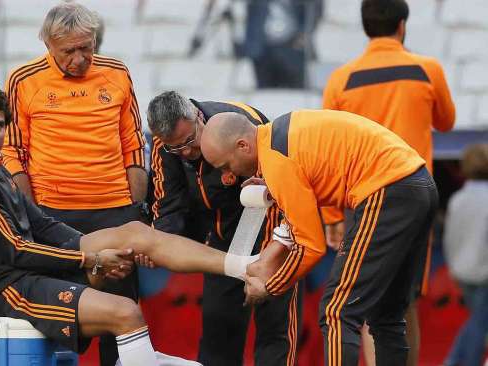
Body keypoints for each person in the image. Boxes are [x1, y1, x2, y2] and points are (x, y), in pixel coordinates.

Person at [0, 83, 263, 366]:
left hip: (27, 272)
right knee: (125, 313)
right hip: (6, 287)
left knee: (135, 235)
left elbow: (44, 225)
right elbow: (15, 249)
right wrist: (90, 259)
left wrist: (95, 246)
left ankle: (244, 265)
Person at [200, 110, 438, 366]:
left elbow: (311, 246)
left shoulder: (277, 160)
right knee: (386, 314)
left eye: (226, 165)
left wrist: (270, 286)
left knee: (337, 312)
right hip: (418, 184)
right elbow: (319, 171)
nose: (228, 176)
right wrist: (277, 189)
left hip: (387, 189)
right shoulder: (280, 135)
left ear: (243, 146)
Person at [0, 3, 147, 364]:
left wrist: (136, 213)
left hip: (113, 212)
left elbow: (133, 146)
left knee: (122, 309)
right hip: (53, 217)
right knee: (58, 311)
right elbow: (13, 152)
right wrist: (30, 217)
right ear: (49, 44)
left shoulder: (117, 72)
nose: (80, 58)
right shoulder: (23, 79)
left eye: (87, 48)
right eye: (70, 51)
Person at [321, 1, 455, 363]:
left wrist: (332, 215)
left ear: (366, 28)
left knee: (365, 301)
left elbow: (328, 148)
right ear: (402, 25)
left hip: (361, 198)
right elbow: (446, 121)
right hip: (414, 194)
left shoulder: (342, 79)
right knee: (402, 300)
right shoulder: (427, 70)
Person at [147, 91, 300, 366]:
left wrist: (272, 254)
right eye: (175, 148)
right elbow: (169, 204)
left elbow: (280, 190)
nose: (185, 152)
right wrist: (157, 244)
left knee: (274, 327)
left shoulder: (241, 124)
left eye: (189, 142)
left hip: (270, 223)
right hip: (222, 235)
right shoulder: (165, 142)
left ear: (198, 117)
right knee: (218, 329)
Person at [442, 144, 488, 366]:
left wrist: (453, 267)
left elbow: (450, 236)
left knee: (476, 319)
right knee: (480, 322)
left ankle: (452, 361)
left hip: (462, 270)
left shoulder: (458, 199)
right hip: (483, 271)